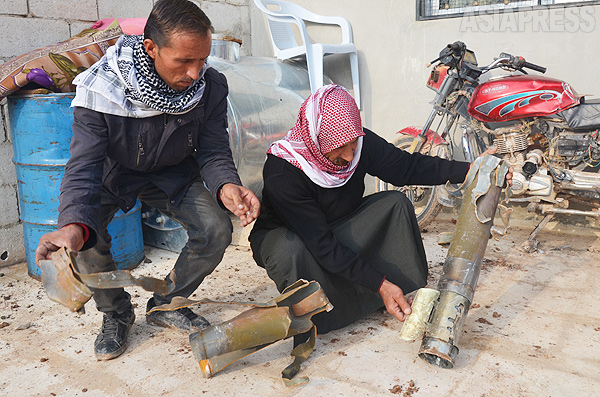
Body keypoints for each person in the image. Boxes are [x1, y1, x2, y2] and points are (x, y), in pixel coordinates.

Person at [34, 0, 260, 361]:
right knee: (86, 239)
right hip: (114, 172)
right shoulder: (103, 88)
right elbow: (84, 165)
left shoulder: (211, 87)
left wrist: (225, 186)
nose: (195, 72)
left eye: (201, 60)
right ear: (151, 48)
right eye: (184, 61)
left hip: (173, 172)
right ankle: (116, 314)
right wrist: (73, 224)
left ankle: (168, 303)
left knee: (216, 229)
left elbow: (214, 150)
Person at [249, 84, 509, 339]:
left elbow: (406, 167)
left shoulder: (359, 145)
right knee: (290, 251)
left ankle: (393, 290)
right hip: (294, 238)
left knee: (395, 205)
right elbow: (322, 245)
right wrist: (379, 284)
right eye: (340, 147)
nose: (350, 156)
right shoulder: (284, 172)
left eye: (353, 144)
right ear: (318, 139)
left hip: (336, 226)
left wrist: (468, 169)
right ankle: (329, 311)